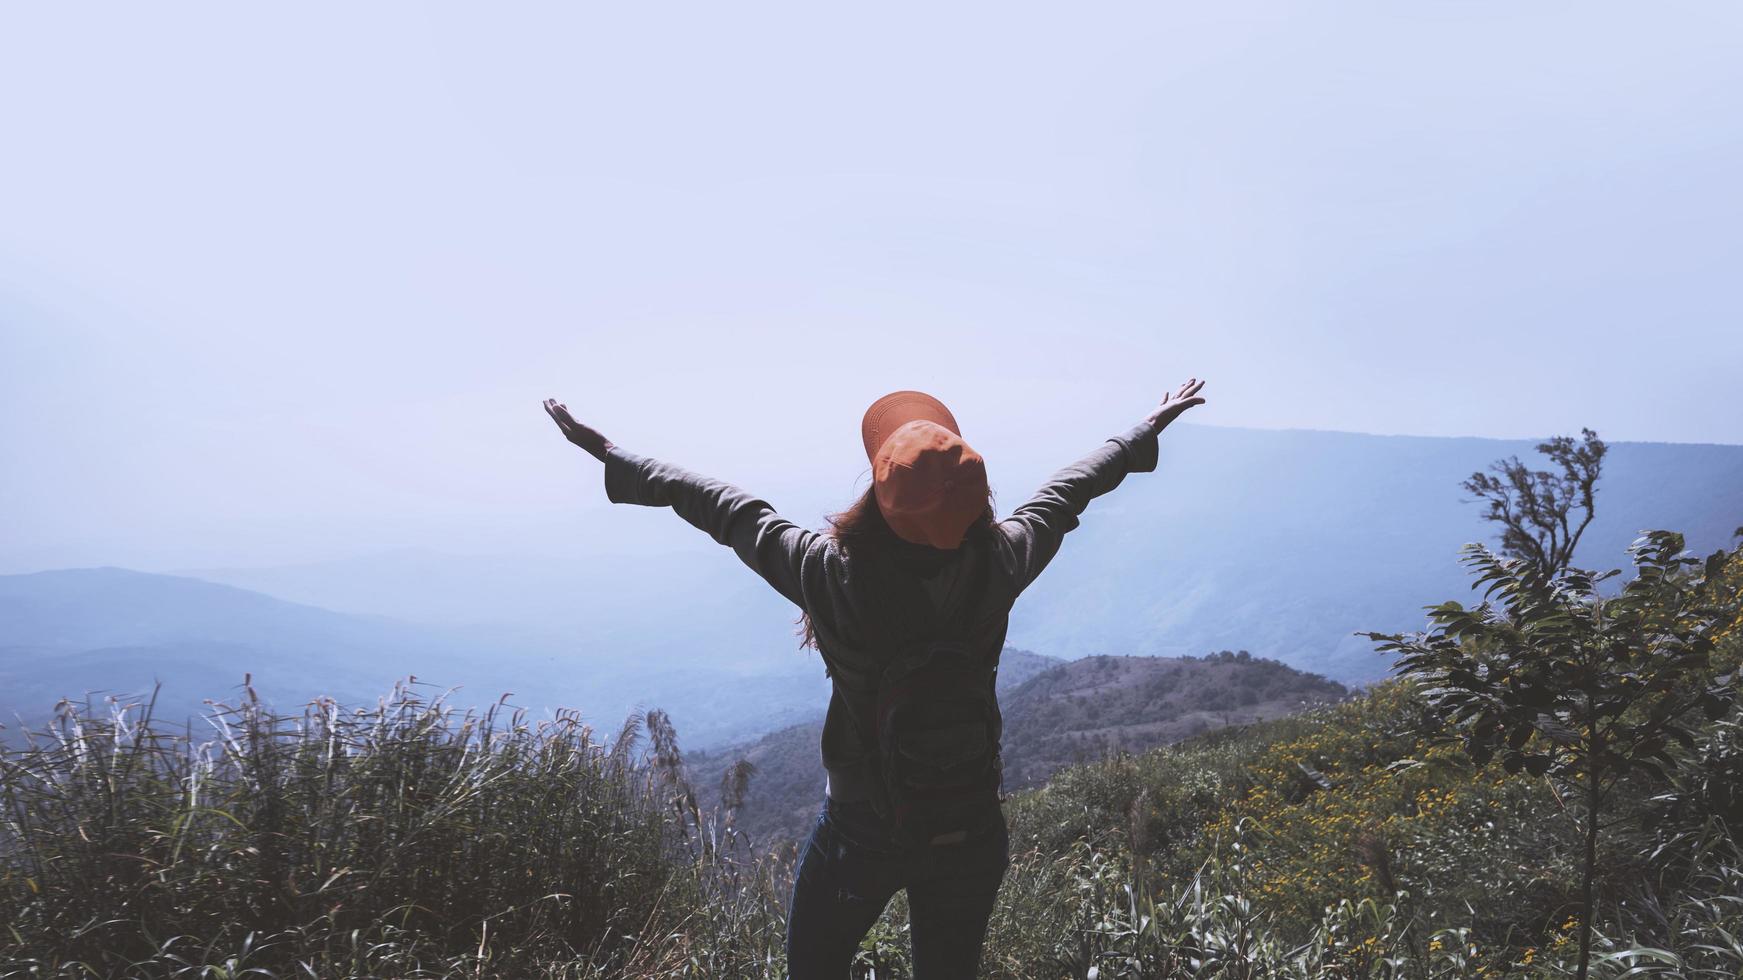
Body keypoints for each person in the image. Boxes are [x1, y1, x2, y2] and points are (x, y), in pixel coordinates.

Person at [541, 379, 1207, 980]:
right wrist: (1144, 429)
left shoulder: (829, 574)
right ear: (977, 498)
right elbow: (1069, 490)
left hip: (863, 828)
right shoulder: (1001, 559)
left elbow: (724, 507)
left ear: (879, 493)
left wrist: (611, 454)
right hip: (969, 825)